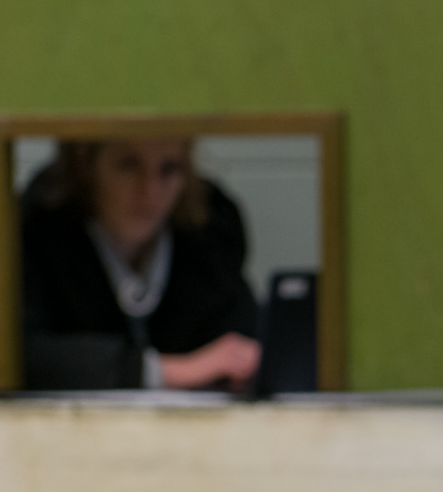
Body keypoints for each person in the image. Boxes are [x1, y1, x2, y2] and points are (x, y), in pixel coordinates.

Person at [19, 136, 261, 390]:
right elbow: (26, 354)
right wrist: (167, 371)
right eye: (128, 165)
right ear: (85, 164)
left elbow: (242, 339)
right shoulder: (38, 230)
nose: (150, 190)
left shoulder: (212, 233)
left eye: (169, 169)